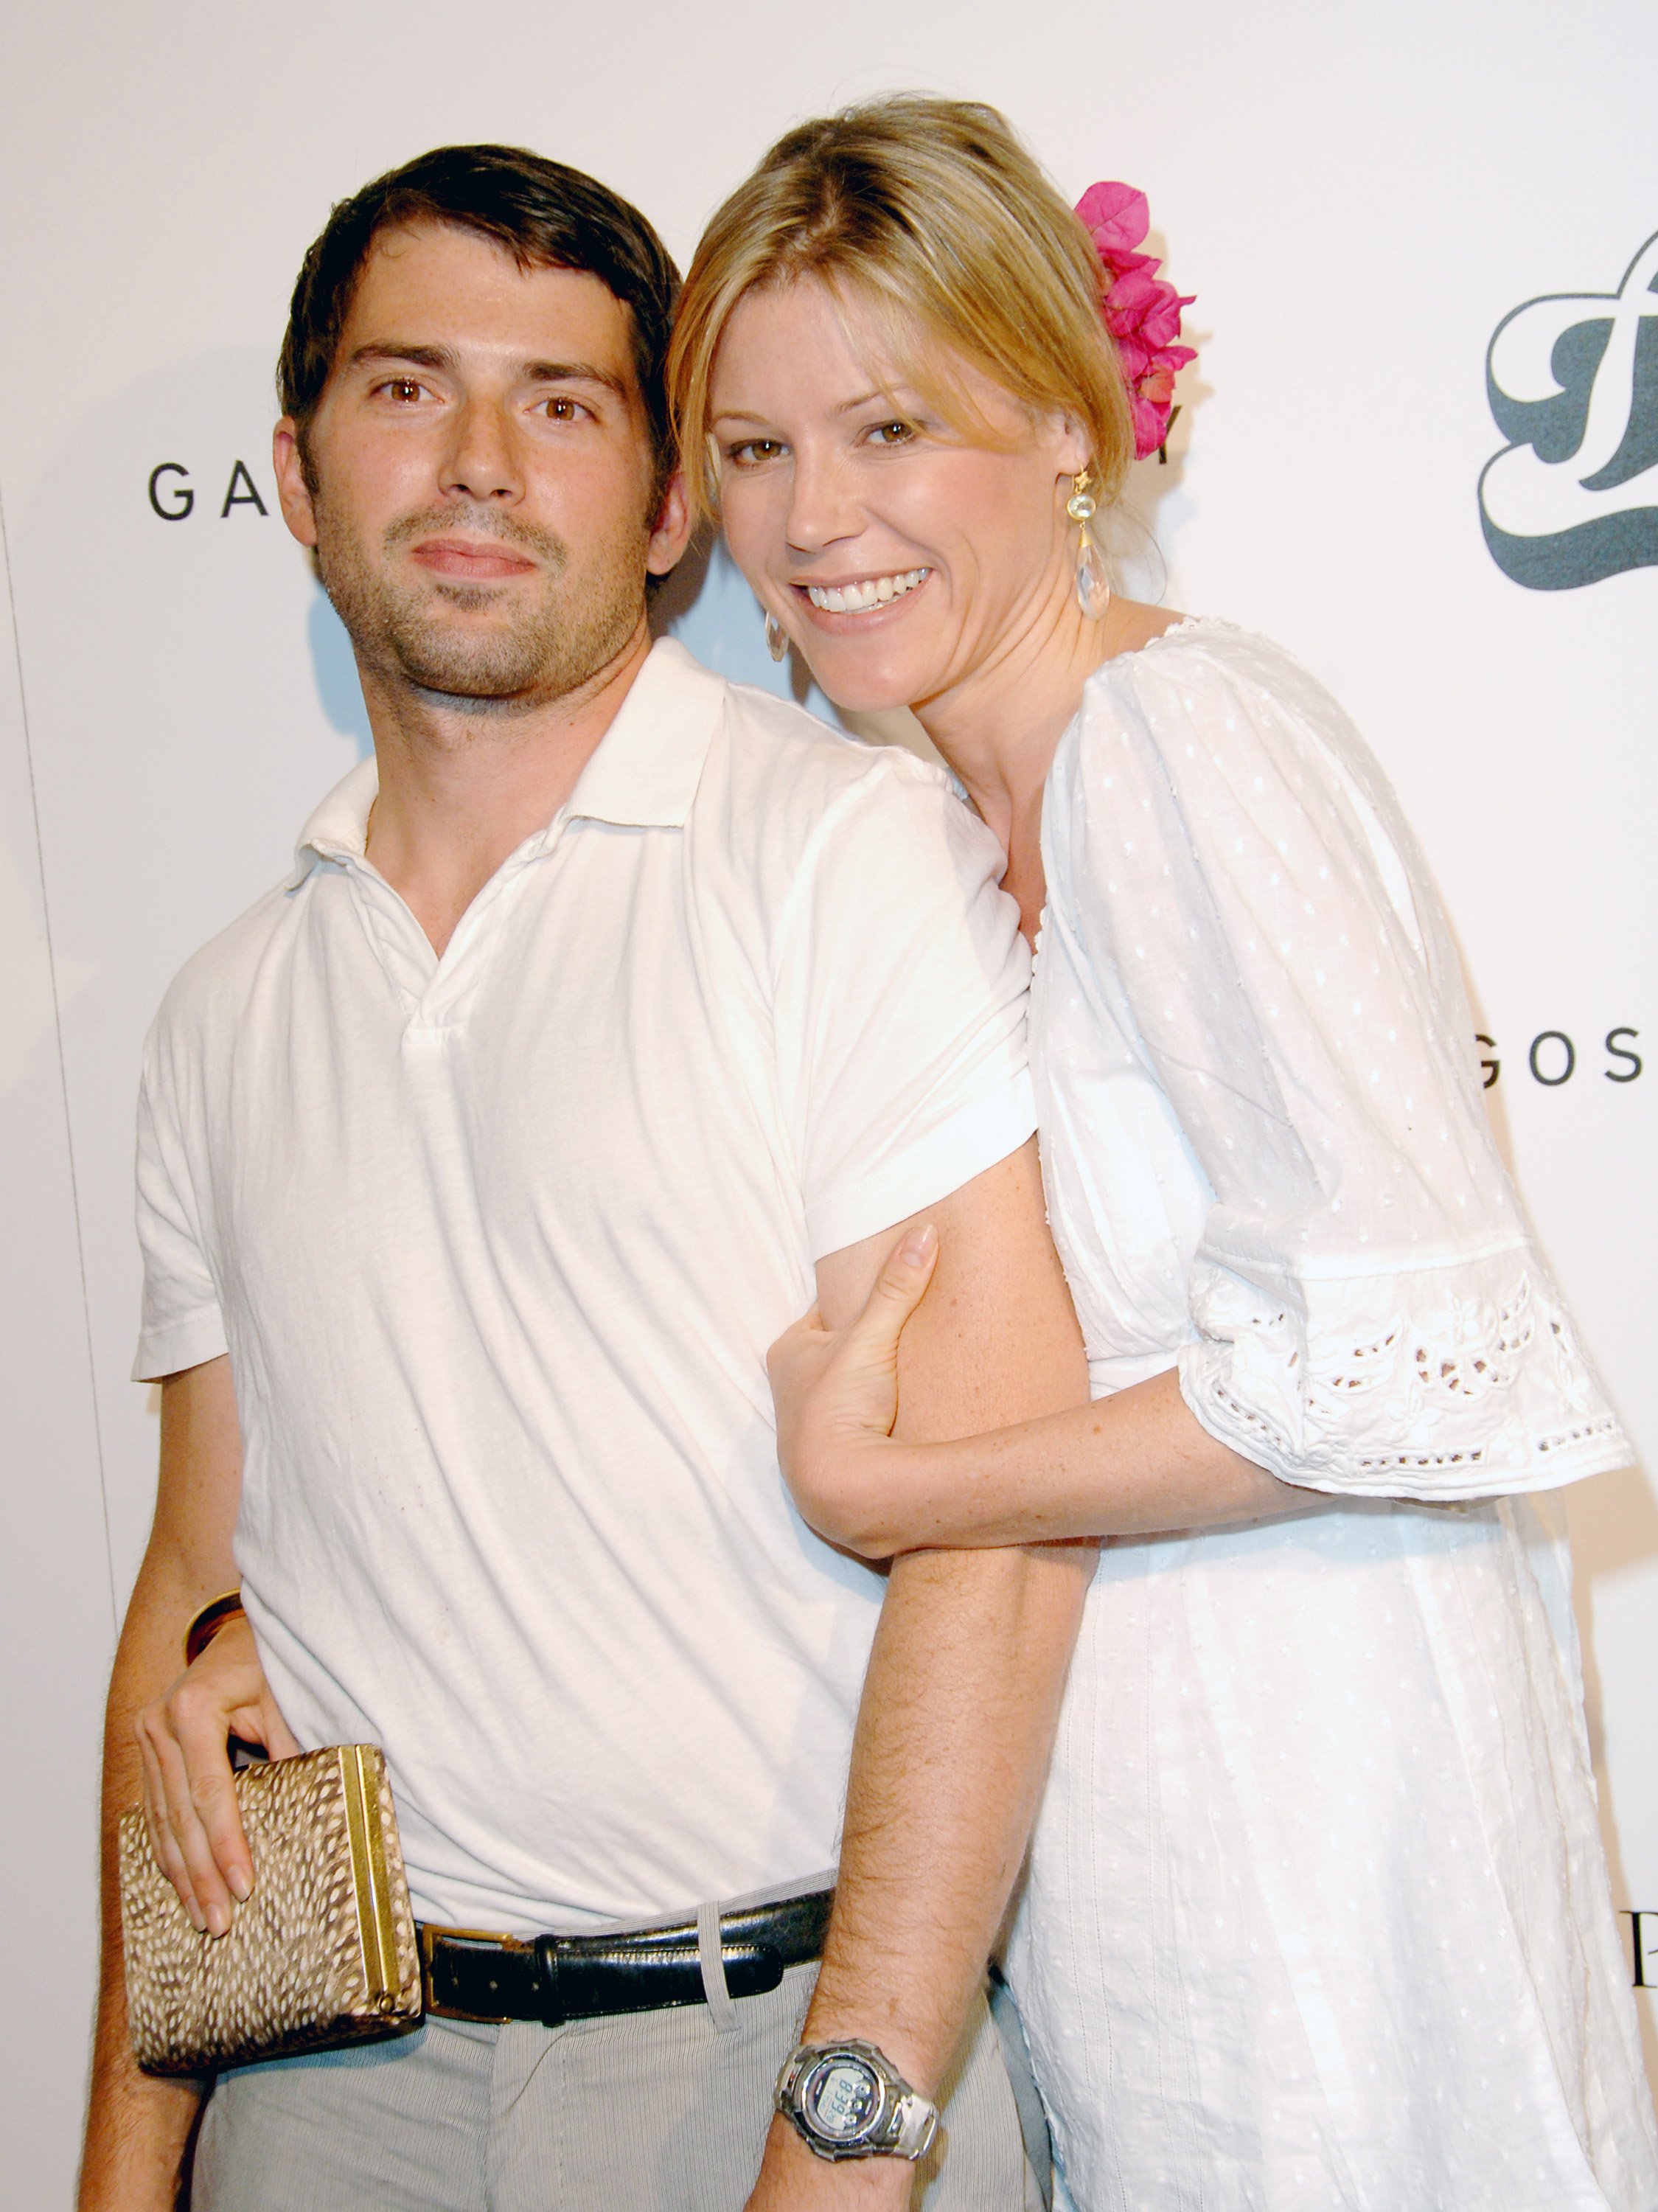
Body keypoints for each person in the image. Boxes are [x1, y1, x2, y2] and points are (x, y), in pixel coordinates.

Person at [80, 141, 1098, 2212]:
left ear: (659, 507)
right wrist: (125, 2167)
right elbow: (193, 1610)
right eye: (403, 388)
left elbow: (997, 1527)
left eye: (557, 403)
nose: (473, 462)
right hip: (327, 2080)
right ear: (293, 469)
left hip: (780, 2058)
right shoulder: (215, 1012)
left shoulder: (837, 860)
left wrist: (849, 2133)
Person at [667, 92, 1658, 2211]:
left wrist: (890, 1487)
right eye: (754, 450)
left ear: (1059, 425)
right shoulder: (929, 839)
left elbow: (1410, 1373)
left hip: (1338, 1861)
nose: (815, 515)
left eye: (889, 426)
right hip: (1129, 1873)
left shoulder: (1174, 747)